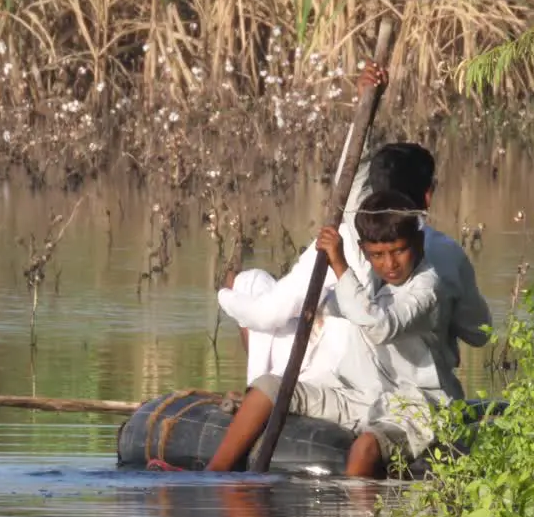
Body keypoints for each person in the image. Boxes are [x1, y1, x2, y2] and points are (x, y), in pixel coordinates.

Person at [207, 190, 455, 477]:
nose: (390, 264)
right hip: (357, 396)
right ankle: (215, 477)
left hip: (411, 404)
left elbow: (380, 326)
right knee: (267, 388)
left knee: (365, 448)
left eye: (399, 251)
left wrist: (339, 265)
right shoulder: (373, 281)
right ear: (363, 251)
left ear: (419, 244)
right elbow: (343, 307)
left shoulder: (427, 289)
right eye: (378, 255)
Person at [217, 140, 492, 385]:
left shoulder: (345, 239)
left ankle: (256, 390)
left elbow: (269, 314)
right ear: (428, 195)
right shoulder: (449, 252)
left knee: (250, 282)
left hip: (349, 381)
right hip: (417, 383)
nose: (389, 263)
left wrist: (227, 294)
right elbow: (479, 334)